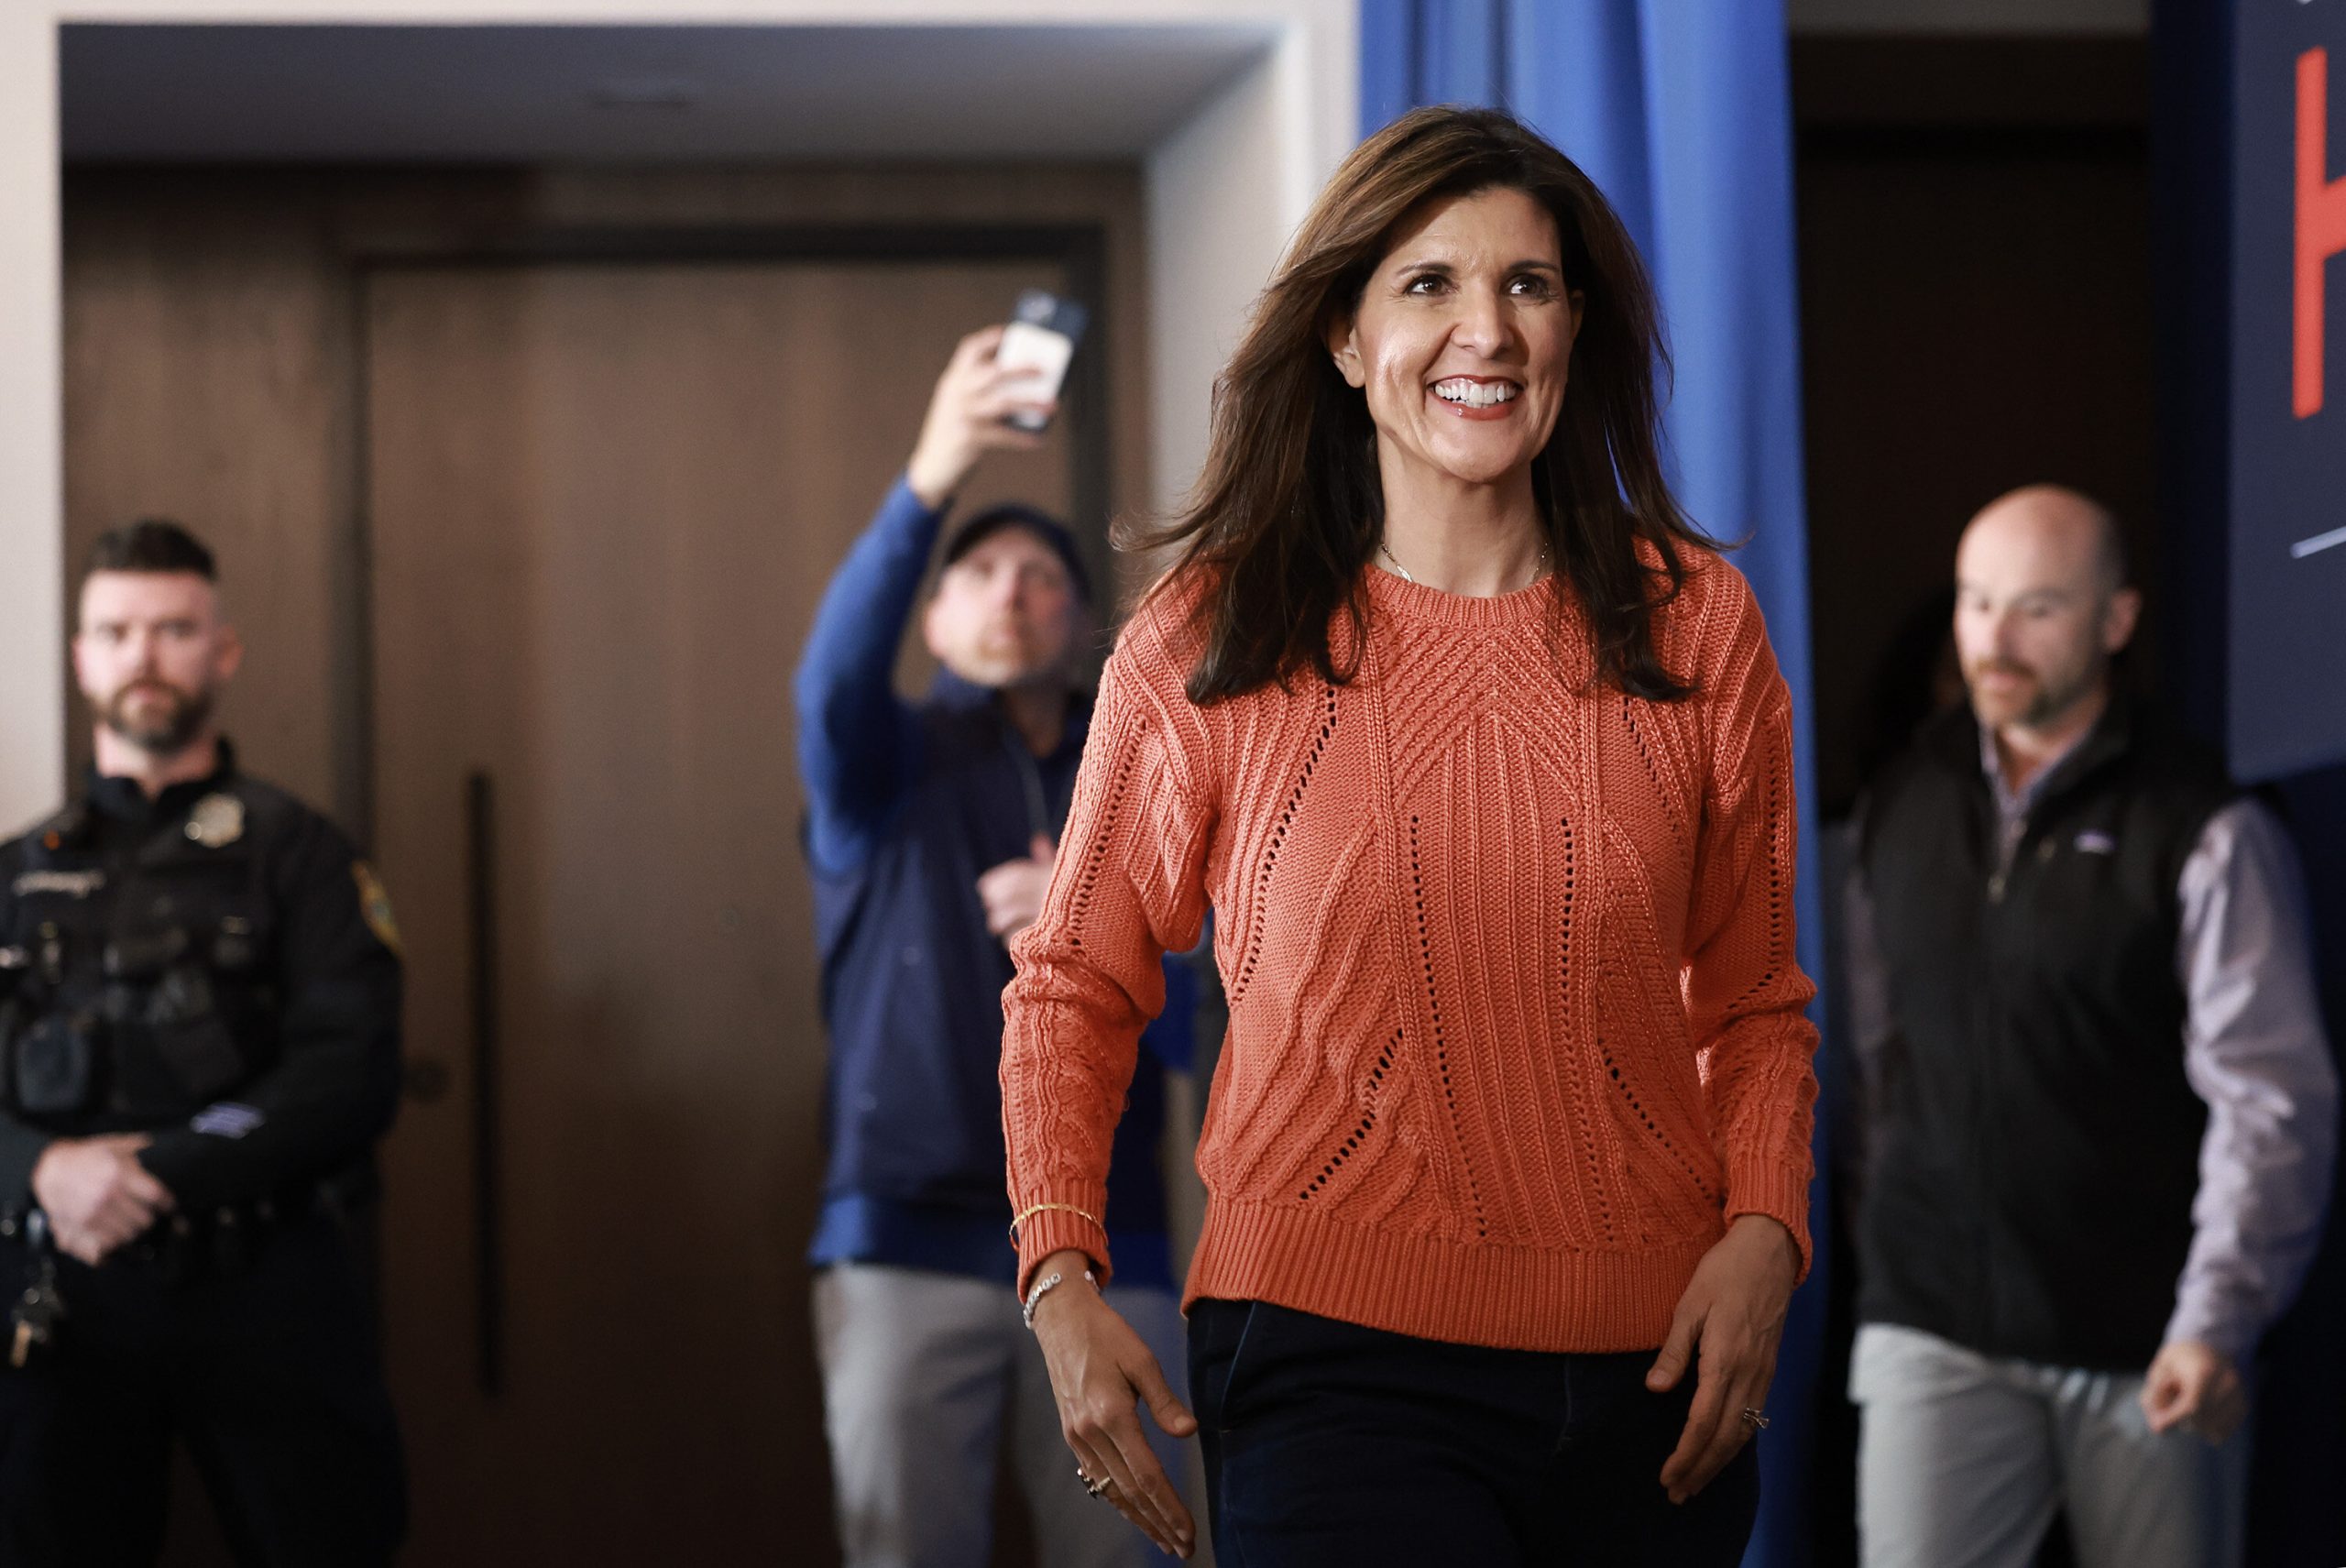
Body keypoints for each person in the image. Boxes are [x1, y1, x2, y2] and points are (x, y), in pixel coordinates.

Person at [1000, 105, 1820, 1566]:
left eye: (1529, 283)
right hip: (1329, 1366)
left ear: (1575, 326)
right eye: (1429, 282)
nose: (1485, 329)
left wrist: (1765, 1232)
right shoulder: (1214, 635)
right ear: (1344, 335)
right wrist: (1061, 1272)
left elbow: (1753, 1003)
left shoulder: (1697, 625)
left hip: (1657, 1370)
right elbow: (1073, 982)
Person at [1846, 485, 2338, 1568]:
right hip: (1930, 1325)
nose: (1995, 640)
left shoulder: (2203, 825)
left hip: (2145, 1341)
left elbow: (2269, 1101)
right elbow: (1879, 1062)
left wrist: (2215, 1320)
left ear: (2115, 619)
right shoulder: (1903, 804)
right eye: (1976, 602)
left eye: (2037, 608)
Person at [793, 328, 1194, 1568]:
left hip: (1115, 1238)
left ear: (1081, 621)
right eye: (979, 572)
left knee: (1134, 1548)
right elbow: (830, 684)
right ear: (932, 614)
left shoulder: (1137, 778)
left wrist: (1098, 940)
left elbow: (1208, 1023)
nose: (1012, 592)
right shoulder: (881, 768)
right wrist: (935, 473)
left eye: (1040, 575)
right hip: (903, 1239)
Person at [0, 520, 406, 1565]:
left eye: (174, 629)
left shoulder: (300, 854)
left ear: (222, 650)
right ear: (81, 656)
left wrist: (157, 1173)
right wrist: (43, 1167)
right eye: (116, 631)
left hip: (262, 1282)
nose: (143, 655)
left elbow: (351, 1069)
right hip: (61, 1298)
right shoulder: (17, 873)